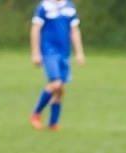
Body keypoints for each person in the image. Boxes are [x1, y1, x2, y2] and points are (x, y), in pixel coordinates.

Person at [29, 0, 85, 131]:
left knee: (60, 89)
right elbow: (35, 29)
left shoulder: (69, 7)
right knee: (56, 83)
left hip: (64, 53)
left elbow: (74, 30)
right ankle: (36, 113)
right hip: (49, 52)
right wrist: (36, 53)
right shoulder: (44, 6)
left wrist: (79, 52)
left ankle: (53, 123)